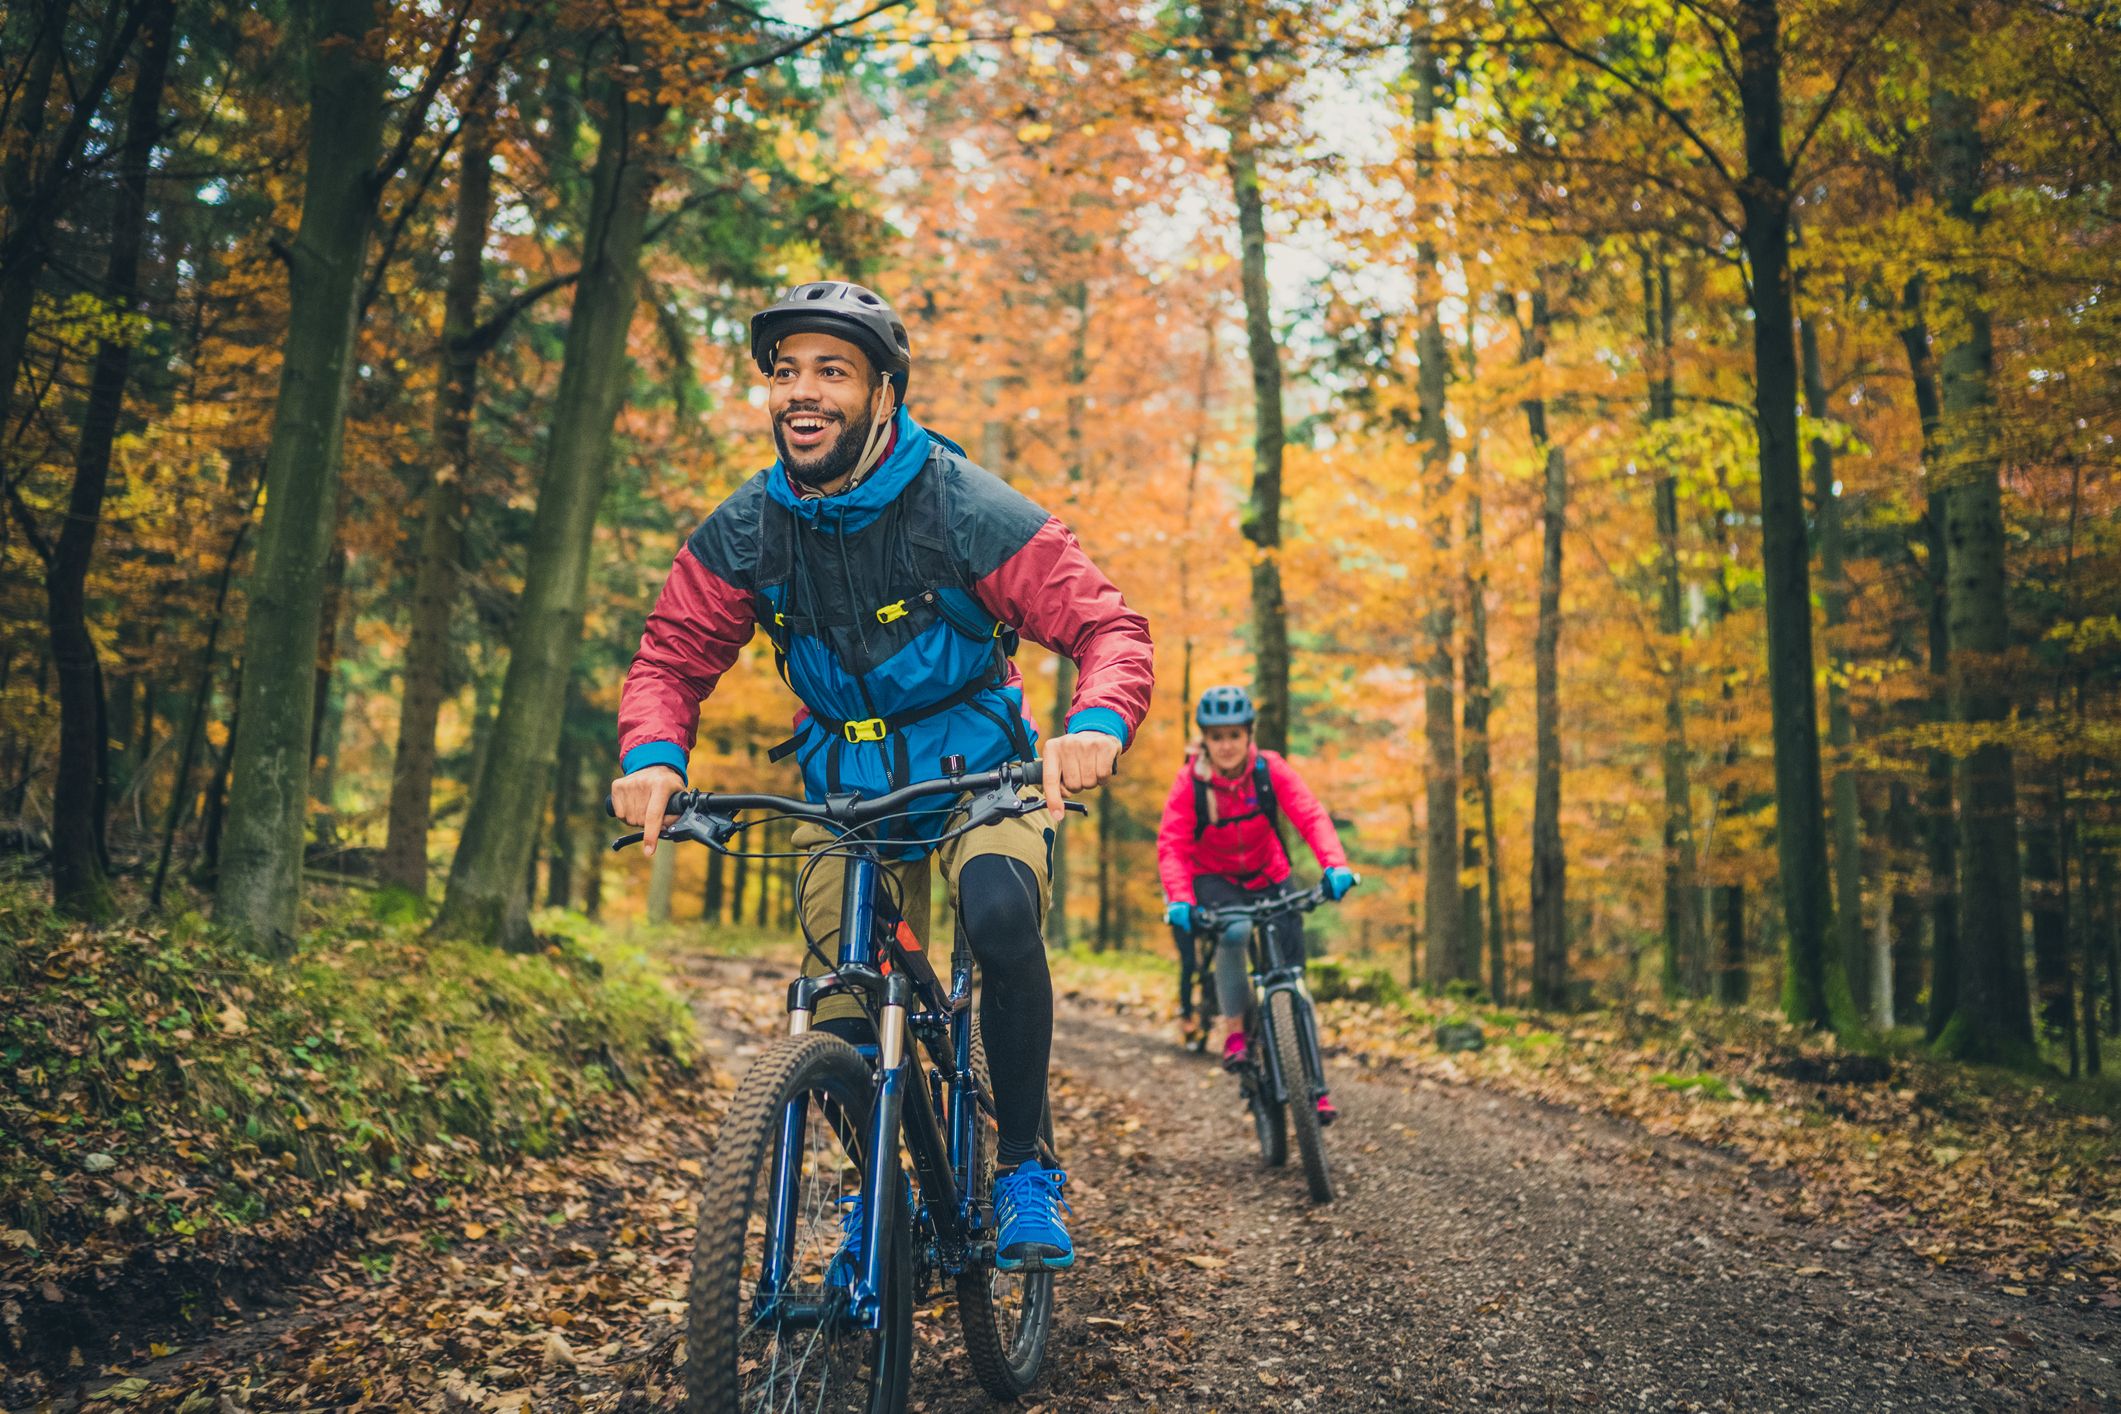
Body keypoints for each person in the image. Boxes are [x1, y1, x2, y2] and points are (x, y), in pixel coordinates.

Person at [611, 280, 1153, 1270]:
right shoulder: (750, 528)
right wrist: (652, 756)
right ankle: (886, 1194)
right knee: (841, 1007)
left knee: (996, 912)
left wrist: (1095, 724)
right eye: (785, 373)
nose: (801, 393)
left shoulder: (957, 502)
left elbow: (1105, 625)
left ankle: (1025, 1166)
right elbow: (671, 657)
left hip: (978, 768)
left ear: (884, 394)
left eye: (832, 371)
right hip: (843, 785)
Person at [1156, 685, 1355, 1121]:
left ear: (1249, 735)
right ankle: (1234, 1035)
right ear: (1205, 740)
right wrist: (1181, 899)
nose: (1226, 745)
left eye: (1234, 735)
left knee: (1293, 973)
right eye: (1217, 736)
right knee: (1237, 930)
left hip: (1270, 874)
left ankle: (1311, 1083)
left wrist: (1334, 866)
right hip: (1216, 879)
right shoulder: (1192, 781)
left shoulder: (1270, 769)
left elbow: (1309, 813)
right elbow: (1172, 844)